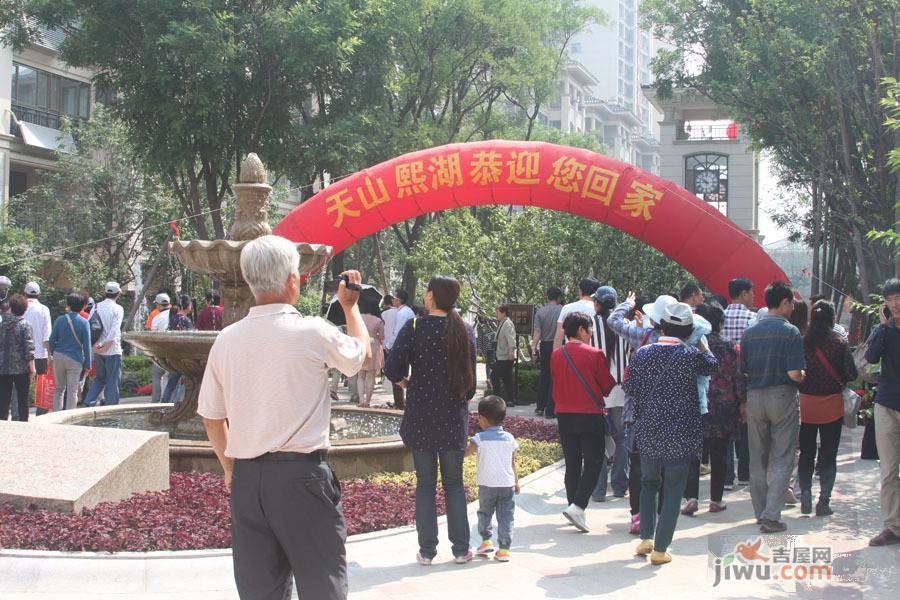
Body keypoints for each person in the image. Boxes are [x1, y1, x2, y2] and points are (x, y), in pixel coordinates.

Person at [199, 235, 368, 599]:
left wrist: (230, 469)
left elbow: (212, 418)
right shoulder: (311, 330)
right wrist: (350, 308)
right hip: (302, 478)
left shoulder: (226, 339)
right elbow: (359, 357)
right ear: (292, 281)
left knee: (260, 591)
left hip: (247, 480)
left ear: (249, 280)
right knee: (323, 584)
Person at [384, 275, 476, 565]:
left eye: (426, 290)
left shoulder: (415, 327)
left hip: (421, 414)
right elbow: (471, 384)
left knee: (425, 483)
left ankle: (427, 551)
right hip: (452, 415)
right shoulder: (465, 329)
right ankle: (461, 549)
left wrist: (405, 382)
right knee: (454, 483)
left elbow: (391, 368)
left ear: (432, 296)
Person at [624, 302, 718, 565]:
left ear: (661, 325)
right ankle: (660, 549)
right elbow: (712, 364)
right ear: (688, 331)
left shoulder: (642, 354)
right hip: (680, 431)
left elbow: (629, 386)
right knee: (674, 488)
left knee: (649, 483)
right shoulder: (690, 354)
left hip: (648, 428)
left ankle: (646, 538)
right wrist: (701, 342)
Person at [741, 281, 806, 533]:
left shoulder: (750, 332)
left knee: (757, 458)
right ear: (786, 302)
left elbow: (743, 371)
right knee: (782, 458)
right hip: (782, 397)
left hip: (755, 397)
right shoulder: (790, 332)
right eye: (791, 304)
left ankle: (760, 513)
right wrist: (802, 375)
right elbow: (794, 373)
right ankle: (771, 515)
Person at [551, 312, 616, 532]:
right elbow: (607, 386)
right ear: (581, 329)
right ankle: (578, 506)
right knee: (594, 462)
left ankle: (574, 507)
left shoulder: (557, 355)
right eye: (589, 329)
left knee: (572, 463)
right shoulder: (595, 354)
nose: (590, 334)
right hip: (589, 414)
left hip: (564, 414)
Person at [682, 304, 744, 515]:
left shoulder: (689, 346)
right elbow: (738, 378)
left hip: (695, 406)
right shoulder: (731, 348)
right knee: (719, 454)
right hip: (723, 409)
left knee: (693, 454)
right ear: (719, 324)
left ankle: (691, 498)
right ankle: (716, 500)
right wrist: (742, 402)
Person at [797, 300, 856, 517]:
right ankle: (824, 502)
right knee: (829, 455)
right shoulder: (839, 342)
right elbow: (852, 373)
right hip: (831, 405)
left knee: (806, 452)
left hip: (806, 406)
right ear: (832, 319)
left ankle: (804, 491)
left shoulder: (803, 342)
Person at [866, 278, 900, 546]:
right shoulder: (885, 330)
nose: (895, 303)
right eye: (889, 299)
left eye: (898, 297)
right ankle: (892, 526)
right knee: (888, 469)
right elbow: (871, 357)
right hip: (887, 404)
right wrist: (885, 326)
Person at [466, 395, 519, 562]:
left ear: (482, 419)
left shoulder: (479, 438)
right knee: (505, 517)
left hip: (487, 485)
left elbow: (465, 453)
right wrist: (516, 482)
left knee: (485, 513)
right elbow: (512, 463)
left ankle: (486, 541)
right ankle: (504, 549)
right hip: (507, 485)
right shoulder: (510, 438)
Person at [590, 286, 630, 502]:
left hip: (598, 391)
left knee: (598, 439)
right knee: (621, 438)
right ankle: (620, 486)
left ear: (597, 303)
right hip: (620, 390)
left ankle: (598, 490)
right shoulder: (623, 325)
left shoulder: (591, 325)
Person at [722, 277, 756, 490]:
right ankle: (744, 472)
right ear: (743, 293)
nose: (753, 297)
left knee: (724, 430)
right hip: (746, 379)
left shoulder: (719, 317)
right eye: (751, 292)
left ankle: (726, 478)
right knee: (745, 428)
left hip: (722, 381)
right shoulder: (752, 319)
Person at [83, 282, 125, 407]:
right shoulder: (118, 309)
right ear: (118, 294)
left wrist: (95, 347)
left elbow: (89, 325)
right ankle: (111, 410)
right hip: (112, 350)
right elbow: (114, 330)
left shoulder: (96, 307)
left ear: (105, 292)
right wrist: (106, 345)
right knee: (112, 381)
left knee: (100, 379)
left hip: (97, 349)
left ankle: (88, 402)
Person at [48, 293, 92, 411]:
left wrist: (53, 353)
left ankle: (56, 417)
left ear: (68, 305)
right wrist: (88, 365)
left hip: (59, 356)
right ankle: (68, 419)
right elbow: (87, 346)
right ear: (83, 306)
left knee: (59, 389)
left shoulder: (60, 320)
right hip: (75, 359)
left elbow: (51, 340)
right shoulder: (84, 323)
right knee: (72, 392)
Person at [0, 294, 35, 421]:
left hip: (3, 367)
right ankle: (23, 424)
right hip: (21, 369)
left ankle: (2, 424)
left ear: (11, 307)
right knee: (22, 399)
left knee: (3, 400)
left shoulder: (2, 324)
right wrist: (32, 368)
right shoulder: (25, 325)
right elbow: (29, 349)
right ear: (24, 309)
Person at [532, 287, 563, 417]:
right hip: (559, 346)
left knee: (544, 376)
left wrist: (534, 348)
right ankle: (551, 409)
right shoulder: (563, 310)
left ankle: (540, 407)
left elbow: (537, 332)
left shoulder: (540, 312)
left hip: (544, 346)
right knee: (555, 377)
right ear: (559, 297)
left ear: (547, 296)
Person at [160, 295, 194, 404]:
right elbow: (191, 340)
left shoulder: (173, 318)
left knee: (171, 385)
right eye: (190, 304)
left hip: (173, 356)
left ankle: (164, 405)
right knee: (186, 383)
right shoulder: (186, 320)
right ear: (187, 306)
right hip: (185, 357)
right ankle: (182, 404)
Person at [385, 290, 415, 410]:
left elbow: (397, 332)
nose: (392, 300)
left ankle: (400, 404)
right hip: (407, 349)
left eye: (394, 298)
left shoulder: (402, 313)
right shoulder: (406, 311)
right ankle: (401, 402)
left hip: (402, 349)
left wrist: (389, 345)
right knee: (401, 375)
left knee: (396, 375)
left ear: (399, 300)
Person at [554, 278, 601, 350]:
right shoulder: (598, 310)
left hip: (570, 354)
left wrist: (556, 355)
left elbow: (559, 334)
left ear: (580, 291)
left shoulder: (567, 308)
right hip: (593, 354)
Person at [23, 282, 51, 377]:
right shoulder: (44, 309)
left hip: (22, 354)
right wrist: (49, 356)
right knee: (38, 388)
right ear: (39, 294)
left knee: (22, 387)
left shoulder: (21, 308)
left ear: (25, 293)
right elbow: (47, 335)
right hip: (40, 354)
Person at [358, 304, 384, 407]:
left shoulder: (359, 318)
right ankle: (367, 401)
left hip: (361, 345)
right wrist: (375, 335)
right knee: (371, 376)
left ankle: (361, 400)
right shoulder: (378, 321)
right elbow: (382, 337)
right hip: (373, 347)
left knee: (360, 376)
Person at [492, 304, 517, 406]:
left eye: (497, 312)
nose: (496, 314)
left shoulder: (507, 323)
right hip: (502, 355)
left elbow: (511, 338)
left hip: (505, 356)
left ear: (503, 312)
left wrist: (511, 350)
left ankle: (497, 398)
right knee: (507, 378)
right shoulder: (503, 322)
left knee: (494, 376)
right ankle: (510, 399)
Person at [149, 293, 172, 403]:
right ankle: (169, 400)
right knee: (171, 377)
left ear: (158, 304)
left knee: (157, 375)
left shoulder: (157, 318)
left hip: (160, 352)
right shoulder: (176, 314)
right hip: (175, 353)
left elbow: (152, 337)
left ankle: (156, 401)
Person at [381, 294, 397, 365]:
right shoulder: (398, 312)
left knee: (385, 363)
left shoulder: (382, 313)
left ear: (384, 303)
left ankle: (383, 375)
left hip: (384, 343)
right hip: (395, 342)